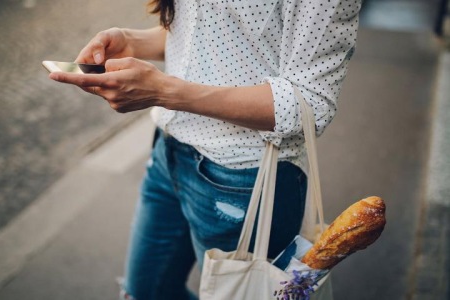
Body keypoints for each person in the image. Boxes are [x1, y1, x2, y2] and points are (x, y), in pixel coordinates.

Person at [49, 0, 362, 299]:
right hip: (167, 152)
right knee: (144, 293)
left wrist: (164, 91)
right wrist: (130, 41)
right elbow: (211, 30)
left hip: (244, 179)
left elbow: (311, 101)